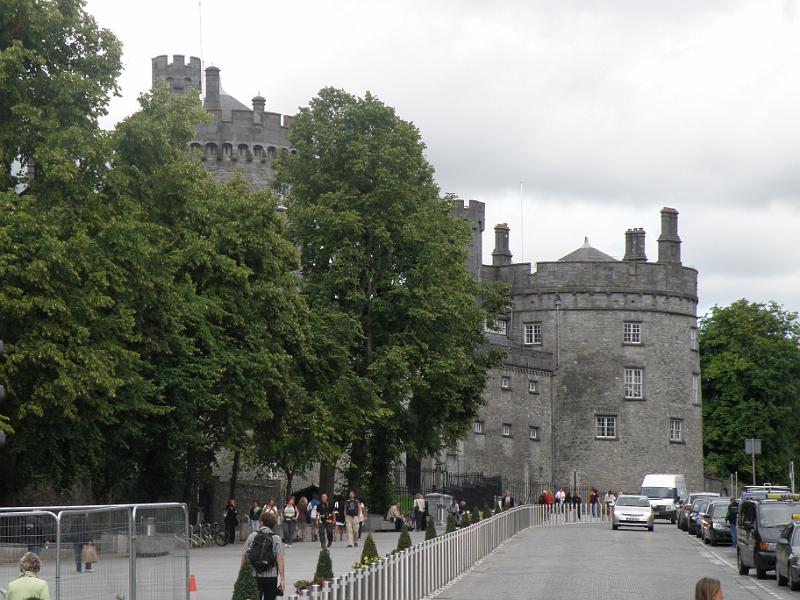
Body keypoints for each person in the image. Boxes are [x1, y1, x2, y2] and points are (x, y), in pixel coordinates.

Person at [242, 511, 286, 600]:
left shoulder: (253, 536)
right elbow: (280, 559)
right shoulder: (276, 538)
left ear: (261, 522)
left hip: (255, 575)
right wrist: (282, 579)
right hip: (271, 576)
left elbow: (244, 556)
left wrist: (243, 576)